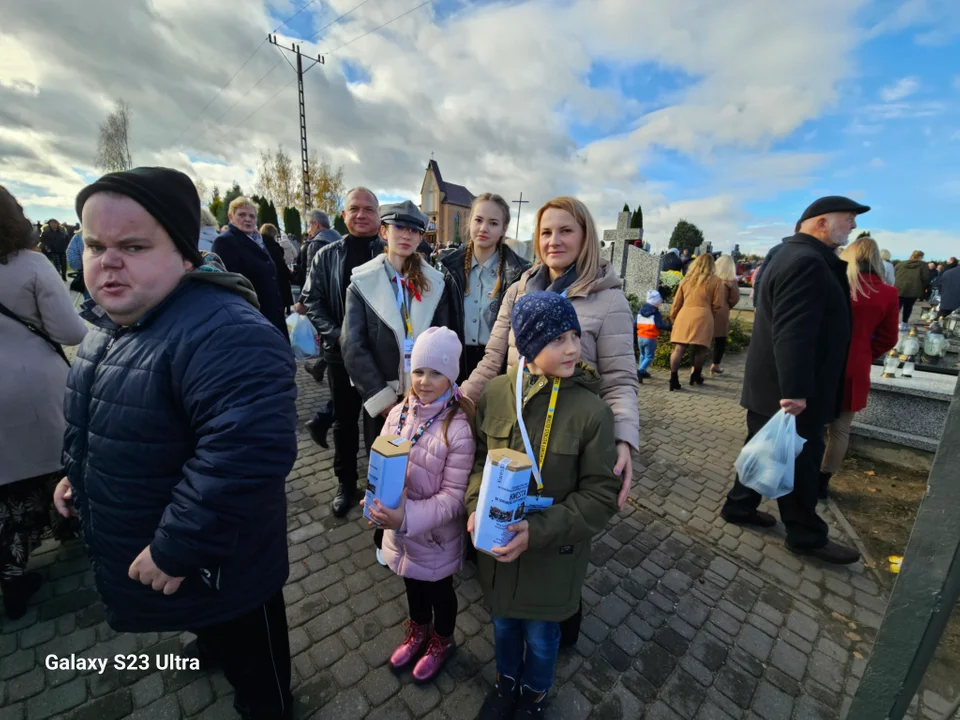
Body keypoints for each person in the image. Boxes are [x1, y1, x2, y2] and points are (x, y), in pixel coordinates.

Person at [53, 168, 296, 718]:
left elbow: (244, 456)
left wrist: (177, 546)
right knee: (212, 625)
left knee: (256, 663)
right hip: (174, 545)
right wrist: (80, 472)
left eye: (134, 246)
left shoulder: (227, 333)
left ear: (185, 254)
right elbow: (110, 416)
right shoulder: (116, 321)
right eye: (95, 245)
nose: (108, 261)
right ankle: (212, 644)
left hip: (224, 560)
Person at [468, 291, 620, 719]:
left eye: (575, 334)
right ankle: (506, 683)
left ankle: (534, 693)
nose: (573, 347)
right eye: (558, 338)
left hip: (554, 558)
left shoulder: (593, 413)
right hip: (497, 555)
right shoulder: (497, 394)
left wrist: (539, 531)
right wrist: (474, 505)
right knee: (501, 625)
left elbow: (600, 496)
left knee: (541, 636)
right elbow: (479, 459)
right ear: (530, 345)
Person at [462, 197, 638, 508]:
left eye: (566, 231)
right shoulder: (519, 290)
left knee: (554, 519)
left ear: (585, 236)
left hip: (566, 442)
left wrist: (622, 438)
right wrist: (454, 403)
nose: (553, 241)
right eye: (545, 232)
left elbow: (619, 380)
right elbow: (492, 361)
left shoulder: (609, 301)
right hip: (515, 428)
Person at [722, 194, 869, 565]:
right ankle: (806, 535)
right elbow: (794, 332)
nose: (853, 226)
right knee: (802, 463)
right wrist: (796, 391)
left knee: (767, 448)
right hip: (790, 389)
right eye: (848, 218)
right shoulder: (806, 262)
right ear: (821, 222)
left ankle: (739, 507)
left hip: (772, 386)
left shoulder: (788, 254)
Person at [364, 327, 475, 682]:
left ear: (452, 375)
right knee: (411, 585)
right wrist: (376, 506)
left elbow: (454, 499)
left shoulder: (457, 428)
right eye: (418, 370)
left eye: (436, 372)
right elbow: (380, 461)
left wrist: (405, 516)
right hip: (401, 531)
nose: (425, 381)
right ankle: (418, 631)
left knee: (439, 592)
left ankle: (442, 639)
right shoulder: (399, 412)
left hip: (435, 538)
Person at [341, 200, 456, 529]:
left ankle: (417, 530)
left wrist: (435, 390)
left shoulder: (436, 284)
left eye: (414, 230)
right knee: (384, 470)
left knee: (424, 470)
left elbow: (445, 338)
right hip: (385, 401)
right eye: (398, 228)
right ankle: (382, 533)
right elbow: (353, 345)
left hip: (425, 396)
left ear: (421, 237)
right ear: (383, 232)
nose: (406, 235)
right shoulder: (362, 284)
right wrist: (383, 400)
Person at [0, 187, 87, 618]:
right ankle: (74, 527)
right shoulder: (31, 265)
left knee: (9, 482)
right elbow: (70, 331)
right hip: (33, 385)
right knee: (60, 460)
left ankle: (12, 569)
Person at [302, 187, 385, 516]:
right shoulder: (326, 255)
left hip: (381, 358)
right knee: (344, 422)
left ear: (379, 217)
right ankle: (346, 483)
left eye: (368, 209)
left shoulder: (389, 254)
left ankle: (381, 485)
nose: (361, 215)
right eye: (355, 209)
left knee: (379, 423)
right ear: (344, 215)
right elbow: (312, 300)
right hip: (340, 355)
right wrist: (337, 336)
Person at [819, 235, 898, 499]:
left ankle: (801, 473)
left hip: (822, 362)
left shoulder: (836, 283)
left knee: (812, 424)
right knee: (840, 430)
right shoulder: (887, 293)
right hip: (856, 366)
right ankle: (823, 481)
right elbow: (889, 338)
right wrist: (865, 352)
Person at [437, 193, 530, 379]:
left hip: (498, 365)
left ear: (504, 229)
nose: (483, 228)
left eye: (493, 223)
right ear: (470, 222)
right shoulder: (448, 268)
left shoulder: (519, 273)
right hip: (455, 361)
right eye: (478, 220)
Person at [212, 197, 287, 335]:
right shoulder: (225, 242)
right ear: (231, 217)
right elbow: (230, 288)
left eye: (252, 216)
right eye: (241, 214)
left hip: (272, 315)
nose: (248, 219)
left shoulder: (258, 240)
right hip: (252, 320)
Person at [668, 253, 723, 390]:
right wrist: (711, 314)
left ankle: (673, 378)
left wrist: (673, 316)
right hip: (704, 315)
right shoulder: (716, 281)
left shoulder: (686, 280)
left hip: (684, 314)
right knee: (700, 349)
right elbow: (718, 303)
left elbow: (677, 302)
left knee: (679, 349)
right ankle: (696, 375)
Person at [710, 254, 742, 375]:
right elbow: (735, 298)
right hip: (722, 312)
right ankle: (715, 365)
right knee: (720, 340)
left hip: (709, 310)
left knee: (703, 339)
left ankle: (695, 367)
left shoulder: (710, 278)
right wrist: (726, 306)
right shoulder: (730, 281)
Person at [293, 209, 340, 289]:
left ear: (316, 224)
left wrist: (305, 298)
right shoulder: (340, 240)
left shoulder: (316, 244)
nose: (309, 230)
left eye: (309, 226)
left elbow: (312, 277)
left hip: (322, 295)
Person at [636, 289, 671, 382]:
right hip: (650, 337)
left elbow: (634, 323)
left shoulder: (640, 311)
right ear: (656, 302)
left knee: (642, 354)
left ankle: (642, 371)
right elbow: (659, 325)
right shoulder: (656, 313)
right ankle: (640, 370)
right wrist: (669, 327)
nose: (659, 303)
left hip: (640, 336)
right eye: (659, 302)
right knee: (649, 356)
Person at [260, 223, 294, 314]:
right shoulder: (273, 246)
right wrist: (290, 276)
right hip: (278, 277)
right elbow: (280, 264)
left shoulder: (258, 244)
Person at [894, 250, 930, 323]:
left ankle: (892, 323)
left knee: (896, 307)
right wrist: (921, 286)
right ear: (920, 257)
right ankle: (904, 323)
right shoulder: (923, 265)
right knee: (908, 307)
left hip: (899, 288)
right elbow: (925, 278)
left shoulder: (900, 264)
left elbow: (894, 274)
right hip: (914, 289)